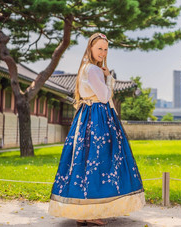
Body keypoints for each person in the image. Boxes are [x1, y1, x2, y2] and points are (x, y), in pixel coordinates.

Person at [48, 32, 145, 226]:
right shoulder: (93, 70)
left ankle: (84, 212)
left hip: (86, 117)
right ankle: (91, 213)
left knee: (84, 162)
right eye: (99, 48)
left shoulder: (85, 68)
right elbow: (104, 96)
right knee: (99, 161)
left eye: (105, 49)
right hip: (98, 118)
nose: (102, 52)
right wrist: (108, 78)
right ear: (90, 48)